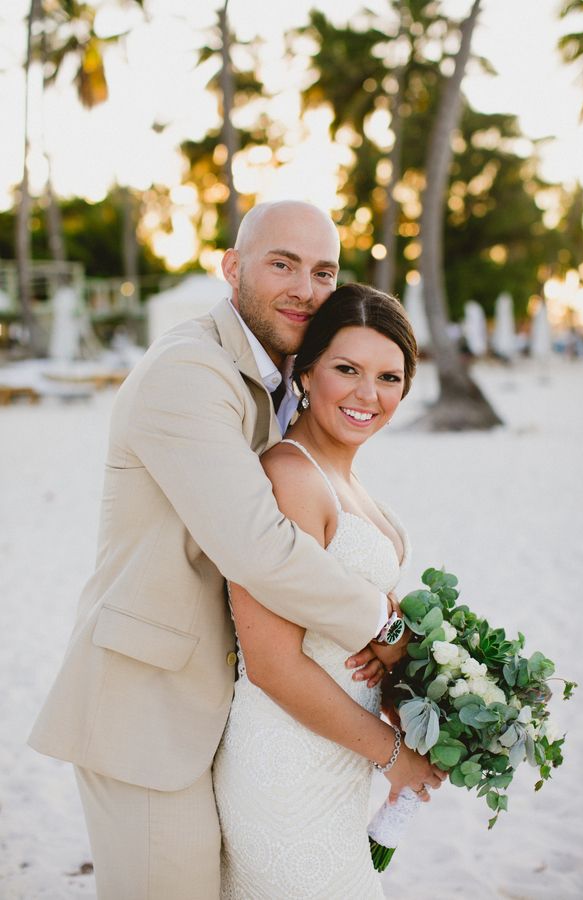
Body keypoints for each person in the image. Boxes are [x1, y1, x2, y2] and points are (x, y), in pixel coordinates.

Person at [28, 201, 431, 900]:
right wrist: (385, 626)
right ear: (231, 267)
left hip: (230, 719)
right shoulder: (189, 372)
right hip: (148, 709)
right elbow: (262, 550)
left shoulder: (275, 382)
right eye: (283, 264)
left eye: (323, 271)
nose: (305, 287)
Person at [214, 282, 444, 898]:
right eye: (347, 369)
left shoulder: (346, 477)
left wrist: (409, 685)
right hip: (287, 764)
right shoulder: (289, 478)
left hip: (342, 757)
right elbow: (271, 665)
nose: (369, 395)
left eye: (390, 377)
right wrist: (396, 756)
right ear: (307, 373)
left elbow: (359, 616)